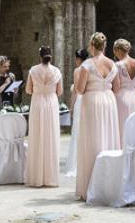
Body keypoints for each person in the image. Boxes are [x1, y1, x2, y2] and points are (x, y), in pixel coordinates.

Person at [72, 32, 122, 200]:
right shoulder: (112, 64)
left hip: (92, 101)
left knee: (92, 141)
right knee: (107, 138)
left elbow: (79, 89)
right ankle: (108, 185)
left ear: (92, 46)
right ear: (105, 46)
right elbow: (117, 88)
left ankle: (91, 187)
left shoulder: (87, 64)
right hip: (109, 101)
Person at [24, 46, 62, 187]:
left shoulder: (33, 70)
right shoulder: (57, 71)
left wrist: (39, 88)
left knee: (37, 136)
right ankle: (50, 177)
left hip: (38, 102)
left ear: (40, 56)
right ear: (50, 56)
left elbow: (28, 90)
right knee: (50, 137)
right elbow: (60, 91)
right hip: (51, 103)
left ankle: (37, 177)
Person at [65, 49, 89, 178]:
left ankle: (76, 163)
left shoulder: (78, 70)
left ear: (78, 59)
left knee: (78, 130)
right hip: (89, 100)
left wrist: (71, 107)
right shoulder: (91, 67)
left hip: (80, 100)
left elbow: (76, 91)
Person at [112, 38, 135, 142]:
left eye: (114, 50)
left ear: (118, 49)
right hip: (134, 96)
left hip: (121, 98)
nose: (114, 53)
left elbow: (117, 87)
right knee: (133, 126)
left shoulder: (118, 65)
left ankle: (123, 153)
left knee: (122, 126)